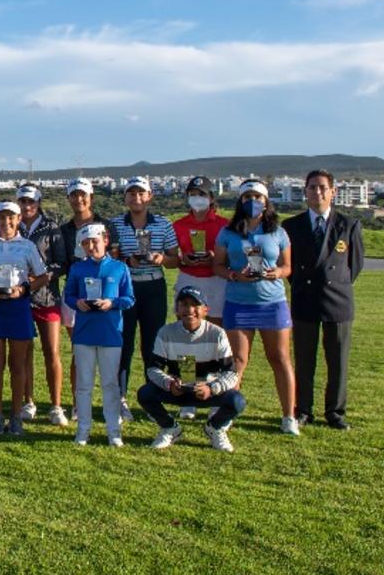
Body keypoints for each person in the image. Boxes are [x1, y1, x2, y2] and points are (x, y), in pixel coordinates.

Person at [212, 180, 299, 436]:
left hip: (272, 304)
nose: (253, 201)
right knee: (237, 361)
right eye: (247, 197)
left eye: (258, 197)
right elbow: (218, 266)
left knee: (280, 358)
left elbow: (287, 266)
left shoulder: (278, 232)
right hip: (239, 304)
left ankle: (289, 416)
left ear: (266, 201)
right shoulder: (228, 232)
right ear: (240, 201)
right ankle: (227, 414)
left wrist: (277, 273)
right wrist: (235, 275)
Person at [285, 169, 364, 430]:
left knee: (338, 362)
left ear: (333, 192)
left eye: (322, 187)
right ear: (305, 192)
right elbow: (289, 265)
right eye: (312, 187)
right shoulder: (291, 226)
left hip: (337, 301)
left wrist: (337, 283)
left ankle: (335, 412)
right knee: (304, 361)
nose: (317, 192)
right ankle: (303, 410)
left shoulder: (348, 225)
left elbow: (355, 265)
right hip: (304, 299)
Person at [0, 201, 49, 436]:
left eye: (11, 217)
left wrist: (23, 289)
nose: (6, 222)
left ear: (18, 219)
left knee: (18, 365)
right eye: (2, 217)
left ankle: (15, 416)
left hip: (18, 306)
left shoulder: (27, 246)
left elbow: (42, 276)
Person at [108, 177, 180, 425]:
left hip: (153, 287)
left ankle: (152, 398)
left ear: (149, 196)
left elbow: (175, 259)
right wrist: (127, 261)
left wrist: (162, 259)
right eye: (132, 193)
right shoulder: (115, 224)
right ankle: (120, 399)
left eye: (141, 193)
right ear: (125, 197)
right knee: (123, 344)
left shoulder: (163, 224)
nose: (136, 198)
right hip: (125, 288)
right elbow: (111, 258)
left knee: (152, 345)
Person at [138, 286, 245, 453]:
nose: (189, 309)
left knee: (237, 401)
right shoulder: (166, 332)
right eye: (184, 304)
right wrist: (169, 384)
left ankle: (215, 428)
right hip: (178, 390)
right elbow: (153, 369)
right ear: (177, 309)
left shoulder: (217, 334)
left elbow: (231, 373)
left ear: (205, 310)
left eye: (195, 305)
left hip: (207, 390)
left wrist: (211, 388)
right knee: (145, 394)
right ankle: (169, 428)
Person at [63, 223, 134, 447]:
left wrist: (111, 303)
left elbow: (129, 299)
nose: (91, 246)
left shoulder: (119, 268)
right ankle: (83, 430)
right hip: (84, 333)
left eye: (94, 241)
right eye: (86, 243)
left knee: (110, 384)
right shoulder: (78, 269)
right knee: (83, 384)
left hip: (110, 334)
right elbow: (68, 295)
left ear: (105, 240)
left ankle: (114, 430)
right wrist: (78, 303)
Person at [169, 176, 229, 420]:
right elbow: (173, 257)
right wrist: (184, 259)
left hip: (215, 281)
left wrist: (214, 257)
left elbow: (230, 257)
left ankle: (214, 393)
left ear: (211, 198)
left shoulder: (224, 225)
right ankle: (189, 394)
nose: (197, 198)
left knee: (215, 339)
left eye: (202, 194)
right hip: (189, 278)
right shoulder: (179, 225)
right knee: (187, 340)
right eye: (193, 194)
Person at [17, 182, 69, 427]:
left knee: (52, 352)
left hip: (47, 298)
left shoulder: (51, 227)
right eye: (23, 201)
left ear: (39, 203)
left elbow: (61, 263)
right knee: (24, 353)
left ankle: (56, 405)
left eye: (31, 201)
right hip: (20, 298)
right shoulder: (13, 226)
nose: (27, 205)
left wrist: (41, 278)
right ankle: (28, 402)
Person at [54, 178, 108, 414]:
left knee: (106, 352)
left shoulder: (106, 225)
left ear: (91, 197)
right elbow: (62, 263)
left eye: (83, 194)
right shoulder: (64, 230)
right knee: (80, 352)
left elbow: (114, 259)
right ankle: (79, 404)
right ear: (68, 198)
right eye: (74, 195)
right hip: (75, 295)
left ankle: (111, 402)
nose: (79, 199)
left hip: (105, 296)